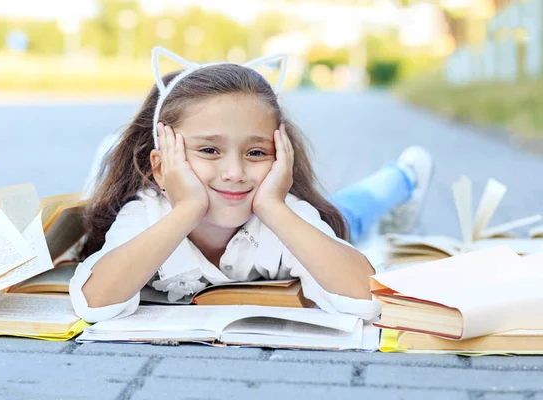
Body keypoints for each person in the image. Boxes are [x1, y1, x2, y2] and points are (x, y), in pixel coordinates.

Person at [70, 47, 433, 323]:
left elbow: (367, 298)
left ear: (282, 156)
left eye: (257, 152)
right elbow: (94, 303)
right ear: (162, 166)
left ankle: (404, 176)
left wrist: (274, 208)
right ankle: (110, 154)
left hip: (319, 220)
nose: (235, 172)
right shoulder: (147, 213)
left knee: (351, 212)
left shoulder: (283, 209)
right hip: (166, 197)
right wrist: (186, 210)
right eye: (210, 150)